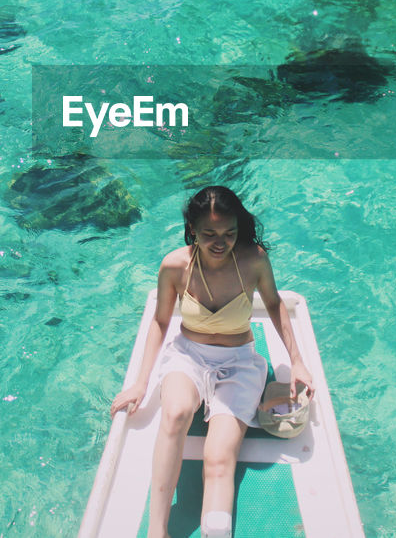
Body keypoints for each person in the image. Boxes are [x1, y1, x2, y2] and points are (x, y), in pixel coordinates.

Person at [110, 186, 314, 538]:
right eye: (209, 234)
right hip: (188, 356)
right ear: (192, 228)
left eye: (229, 233)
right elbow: (160, 323)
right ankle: (156, 531)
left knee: (219, 456)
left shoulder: (254, 260)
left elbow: (276, 304)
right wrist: (141, 383)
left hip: (239, 363)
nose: (220, 242)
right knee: (174, 414)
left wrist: (298, 362)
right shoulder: (175, 265)